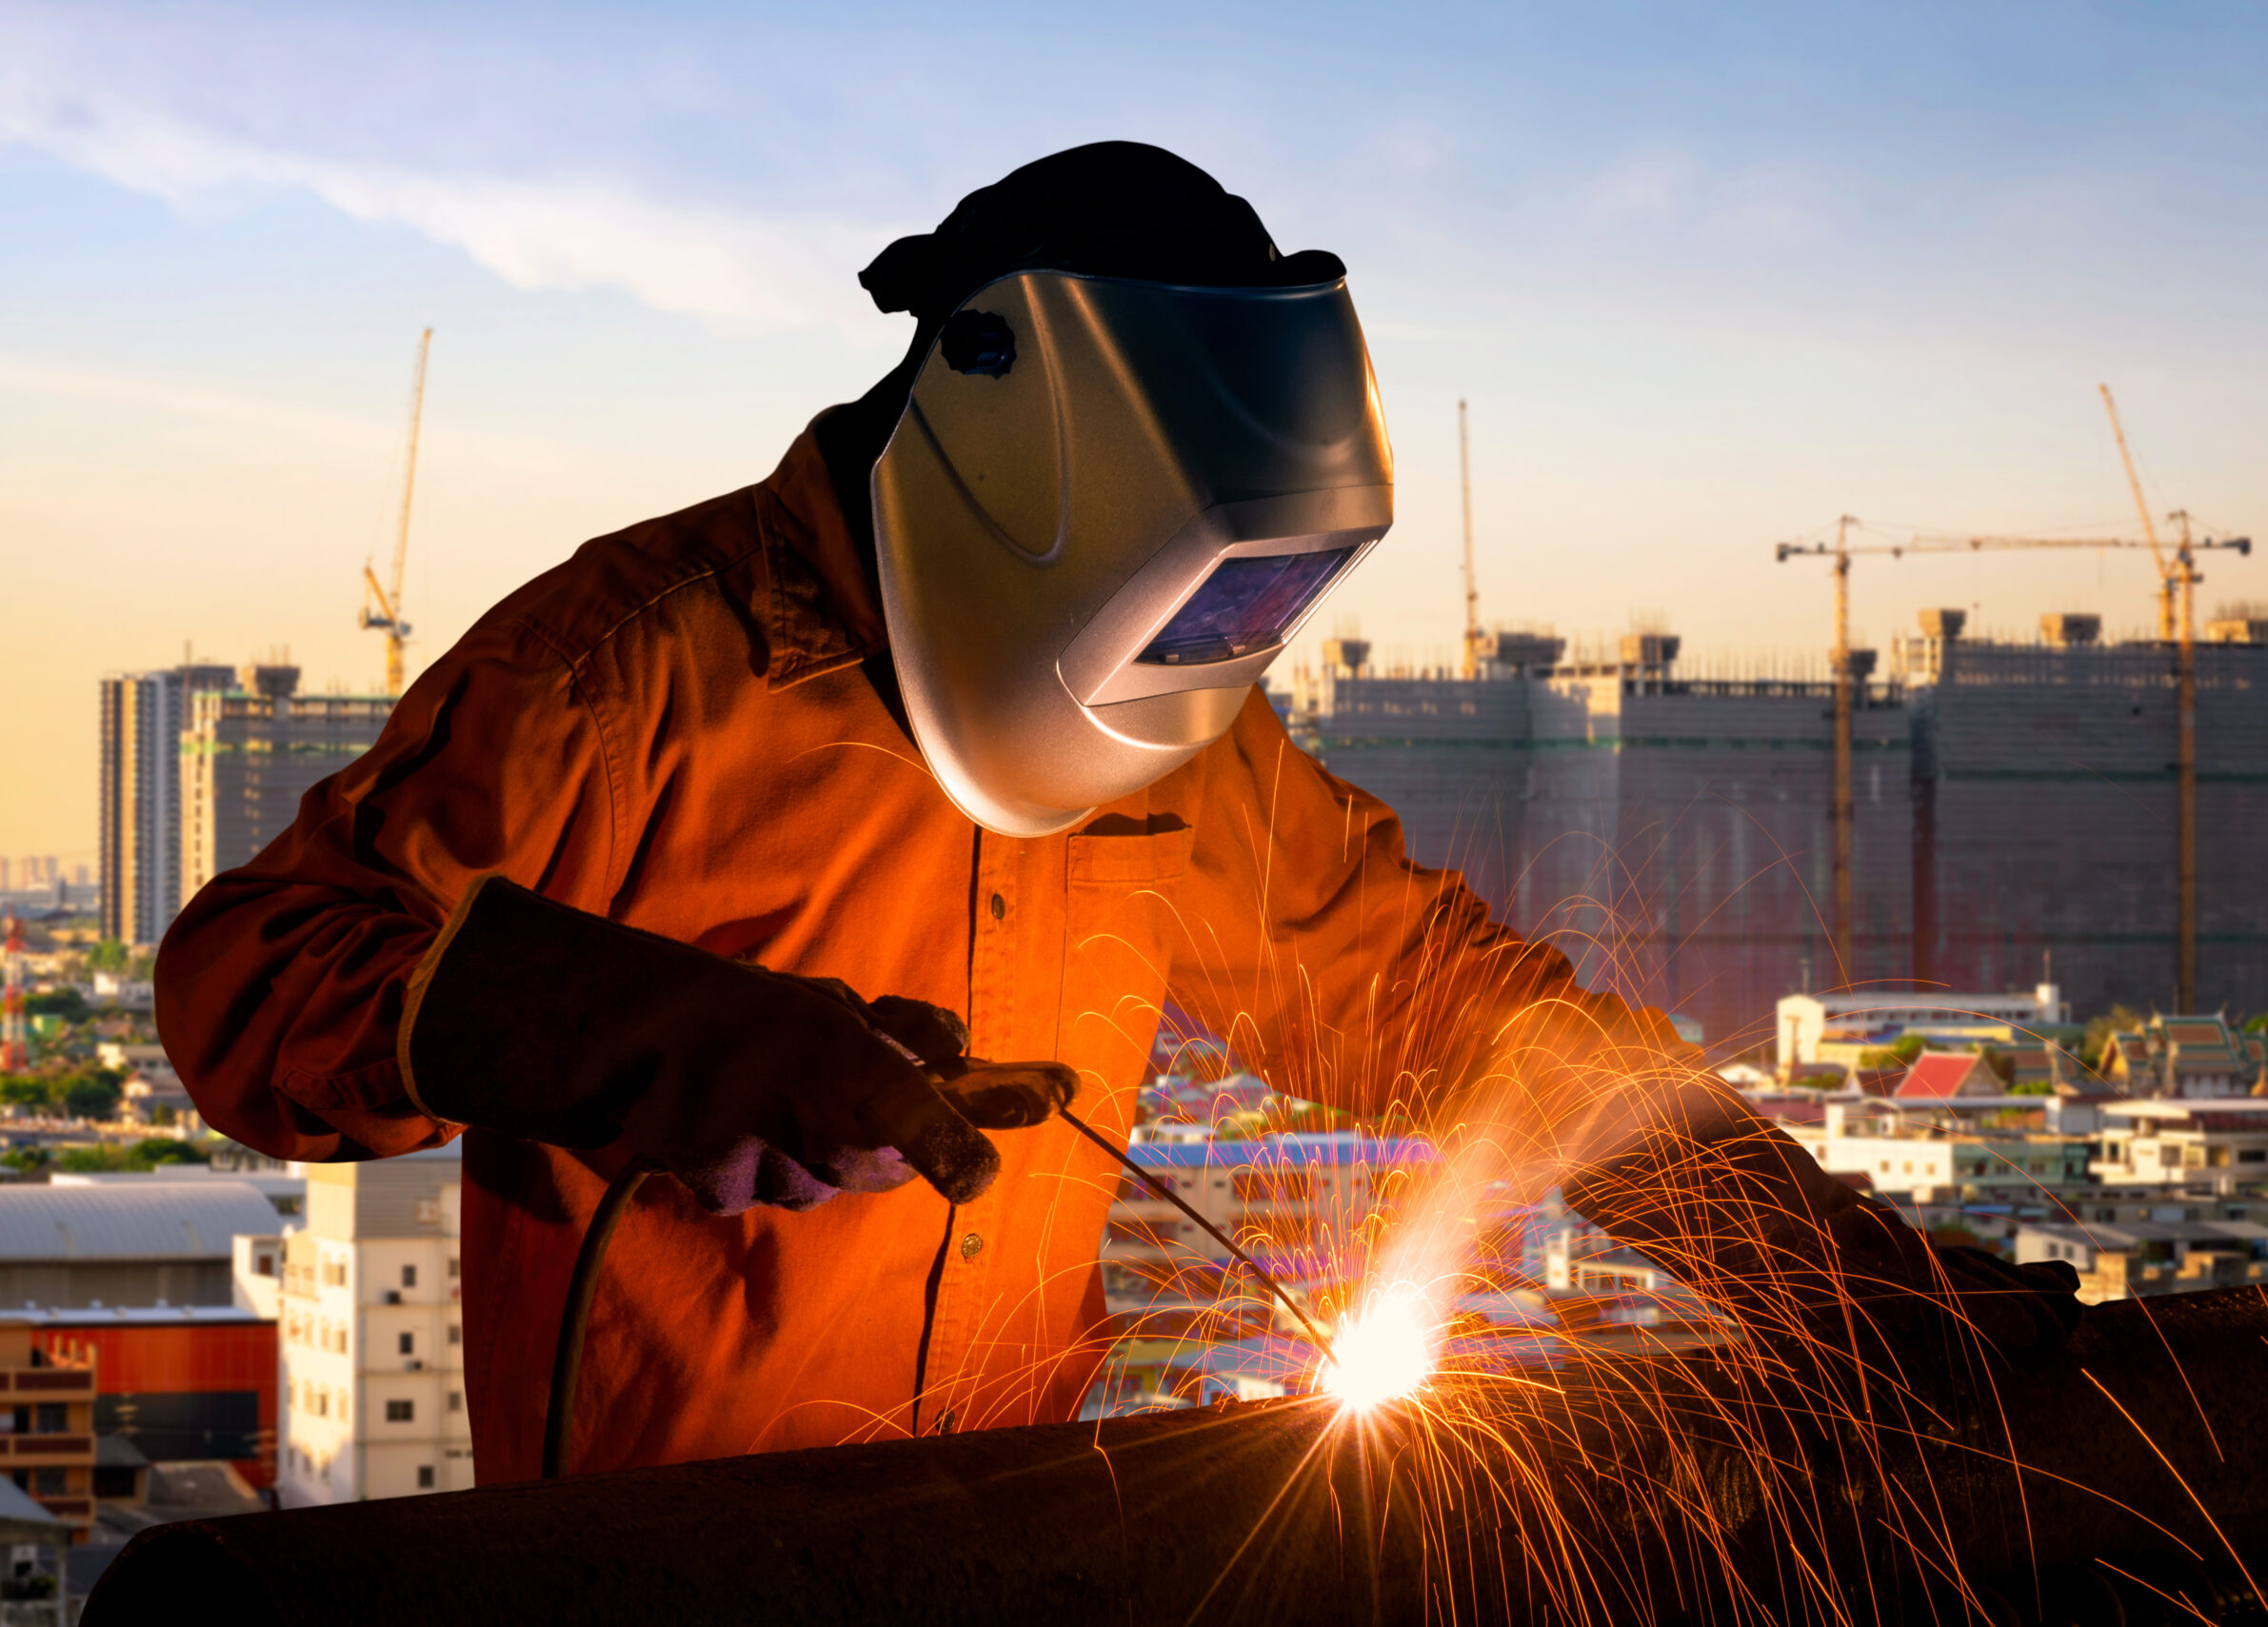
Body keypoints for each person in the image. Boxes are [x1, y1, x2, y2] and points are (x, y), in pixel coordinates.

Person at [158, 143, 2076, 1483]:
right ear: (1008, 438)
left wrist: (1811, 1255)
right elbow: (250, 985)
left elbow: (1456, 1016)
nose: (1208, 662)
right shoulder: (635, 661)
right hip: (656, 1559)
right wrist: (642, 1034)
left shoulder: (1185, 748)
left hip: (1005, 1535)